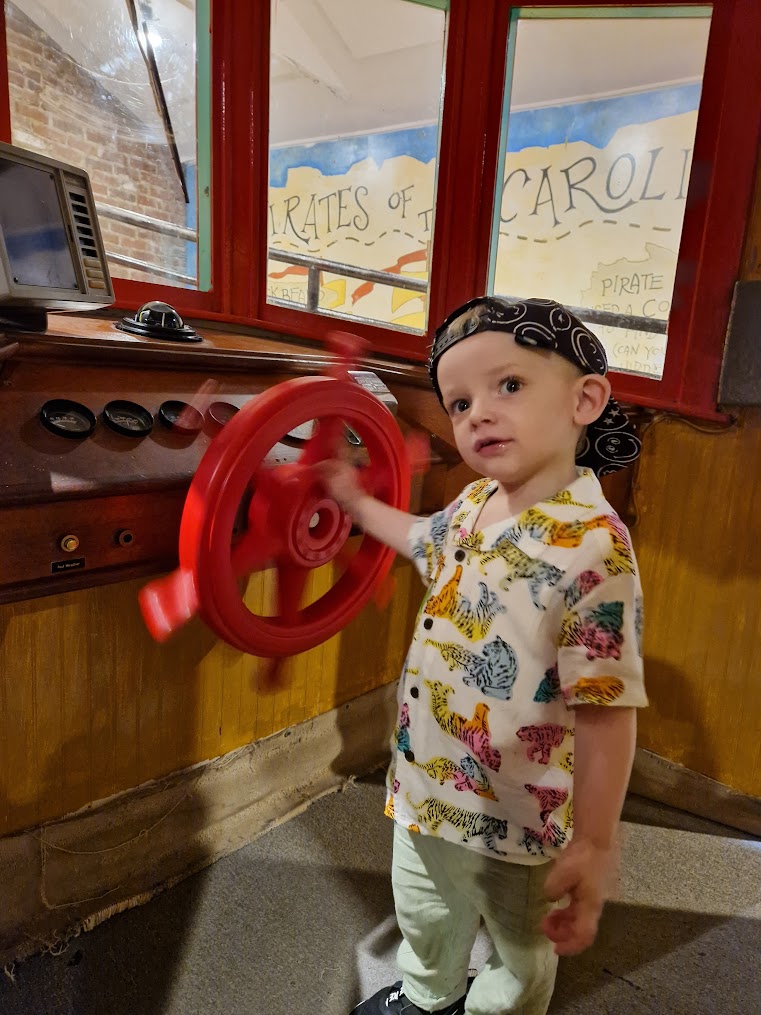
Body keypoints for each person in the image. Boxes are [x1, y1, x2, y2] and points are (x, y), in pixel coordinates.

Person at [320, 296, 648, 1015]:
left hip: (522, 813)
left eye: (508, 385)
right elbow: (416, 537)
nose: (476, 414)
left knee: (521, 944)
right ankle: (427, 991)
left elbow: (605, 708)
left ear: (583, 399)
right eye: (459, 401)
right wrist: (350, 500)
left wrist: (594, 842)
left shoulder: (593, 546)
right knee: (423, 905)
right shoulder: (471, 505)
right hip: (425, 781)